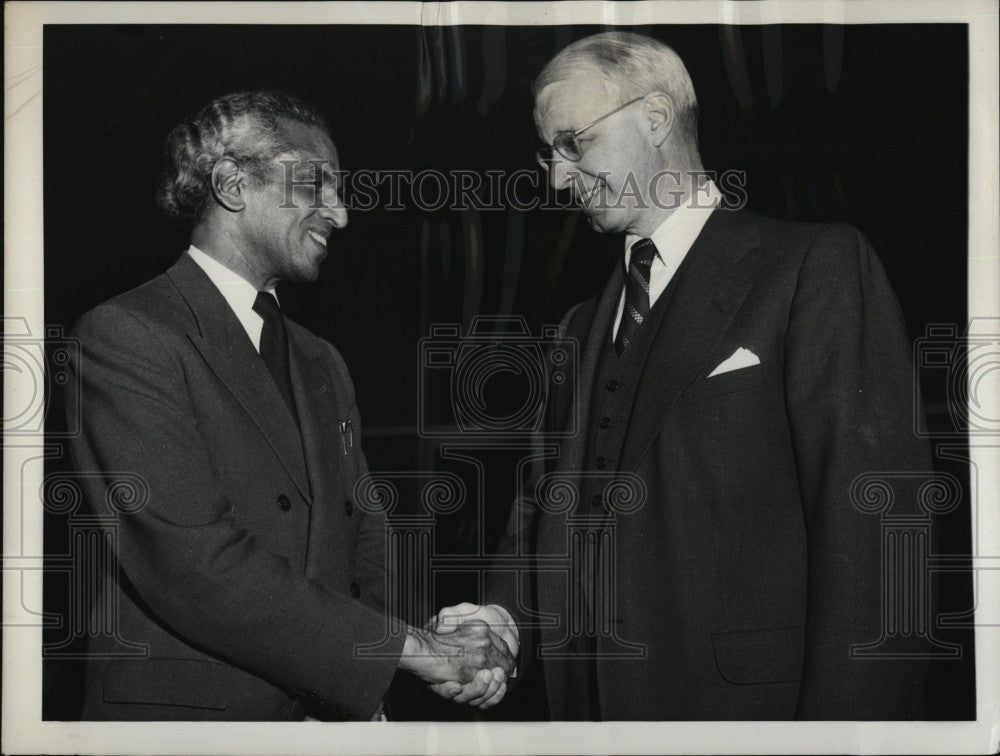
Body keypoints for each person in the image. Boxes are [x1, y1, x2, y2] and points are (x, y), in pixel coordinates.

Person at [430, 32, 932, 719]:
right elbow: (547, 512)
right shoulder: (577, 326)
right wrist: (499, 626)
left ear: (658, 117)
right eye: (547, 153)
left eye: (574, 143)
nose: (555, 177)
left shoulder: (814, 268)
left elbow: (875, 541)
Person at [65, 90, 512, 721]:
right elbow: (195, 565)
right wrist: (413, 652)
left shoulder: (319, 359)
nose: (342, 213)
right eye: (319, 184)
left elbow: (367, 543)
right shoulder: (125, 336)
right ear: (231, 184)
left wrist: (401, 668)